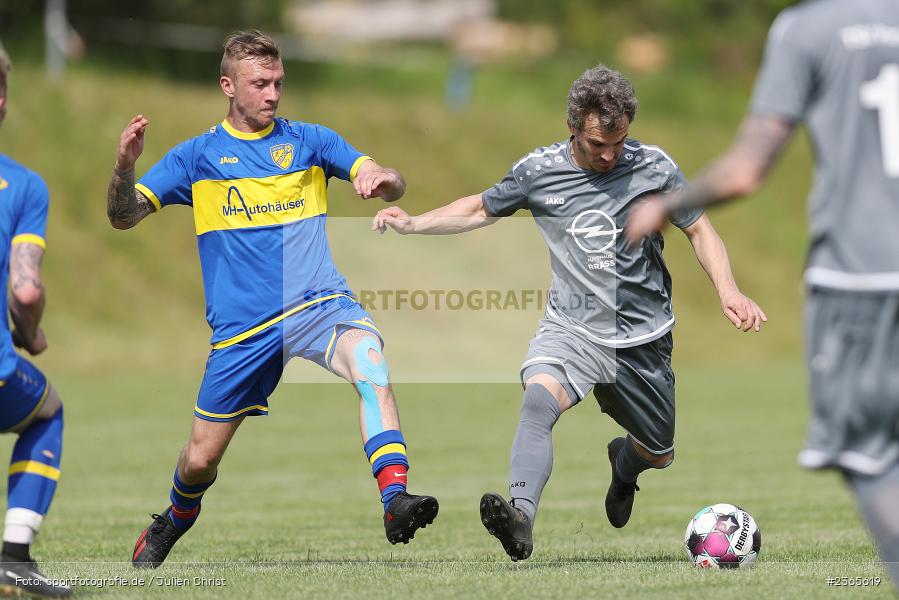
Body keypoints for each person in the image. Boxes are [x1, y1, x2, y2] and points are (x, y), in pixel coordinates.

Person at [373, 65, 765, 561]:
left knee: (659, 451)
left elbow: (700, 229)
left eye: (618, 143)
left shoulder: (654, 167)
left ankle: (625, 466)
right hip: (571, 328)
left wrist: (728, 290)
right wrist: (413, 223)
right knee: (538, 404)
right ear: (573, 126)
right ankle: (520, 518)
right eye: (598, 144)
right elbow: (478, 209)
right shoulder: (539, 171)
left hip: (643, 341)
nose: (609, 155)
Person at [106, 30, 438, 569]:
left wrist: (382, 177)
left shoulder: (310, 141)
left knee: (370, 360)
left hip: (318, 305)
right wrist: (124, 166)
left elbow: (391, 180)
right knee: (199, 460)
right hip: (243, 332)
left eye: (278, 82)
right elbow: (123, 217)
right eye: (260, 83)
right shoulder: (196, 158)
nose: (273, 94)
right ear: (227, 85)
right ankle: (174, 519)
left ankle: (395, 497)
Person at [625, 0, 899, 587]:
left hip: (860, 279)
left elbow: (748, 168)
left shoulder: (806, 29)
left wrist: (665, 205)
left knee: (869, 456)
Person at [0, 45, 71, 597]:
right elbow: (25, 289)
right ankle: (14, 557)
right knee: (46, 412)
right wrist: (32, 335)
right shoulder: (21, 185)